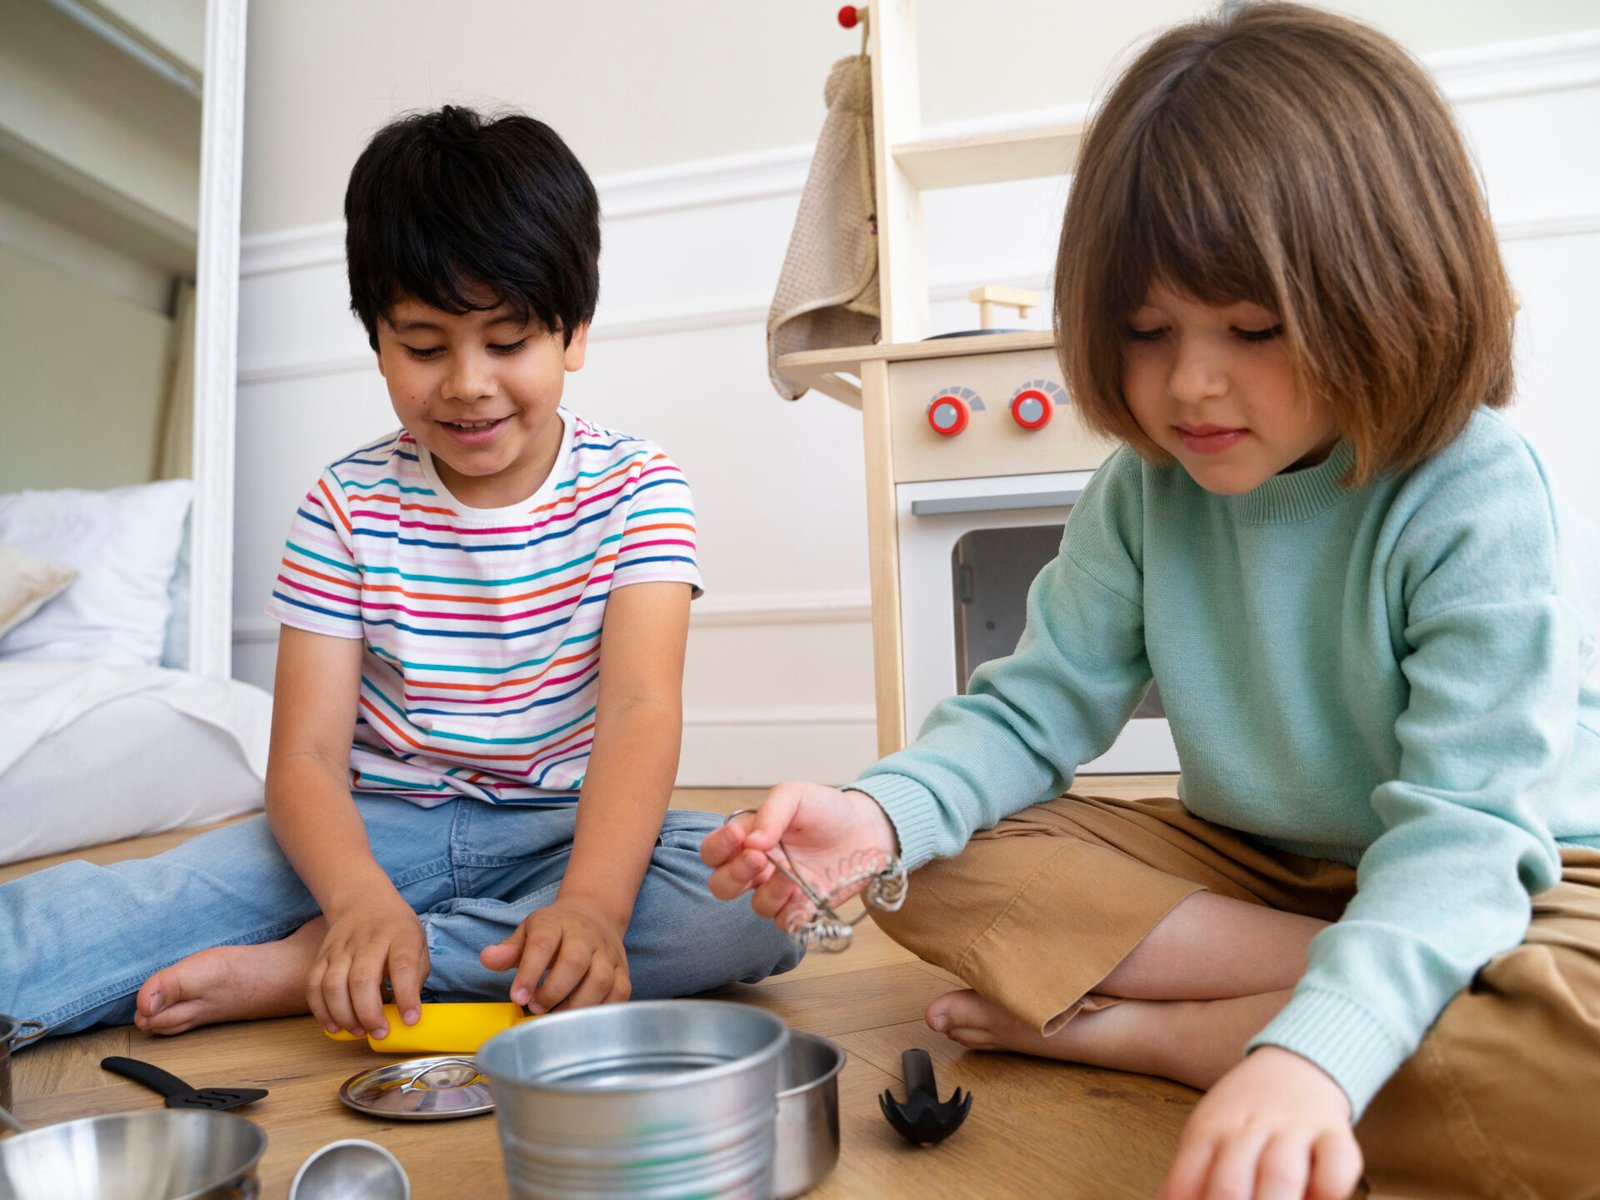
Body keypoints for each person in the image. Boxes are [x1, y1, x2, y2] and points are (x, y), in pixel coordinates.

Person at [703, 5, 1600, 1198]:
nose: (1188, 383)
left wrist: (1313, 1056)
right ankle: (1363, 996)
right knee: (938, 869)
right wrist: (874, 820)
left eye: (1251, 328)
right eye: (1144, 330)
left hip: (1513, 876)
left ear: (1387, 289)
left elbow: (1466, 836)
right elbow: (1029, 719)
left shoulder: (1473, 489)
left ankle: (1174, 1035)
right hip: (1256, 871)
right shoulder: (1144, 489)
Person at [1, 105, 800, 1045]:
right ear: (376, 341)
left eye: (507, 344)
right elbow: (302, 757)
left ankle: (312, 970)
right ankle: (367, 945)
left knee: (746, 906)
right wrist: (354, 897)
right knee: (133, 902)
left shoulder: (640, 487)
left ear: (573, 333)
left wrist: (590, 904)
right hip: (369, 830)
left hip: (561, 832)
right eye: (425, 348)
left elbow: (639, 714)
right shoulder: (344, 504)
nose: (466, 383)